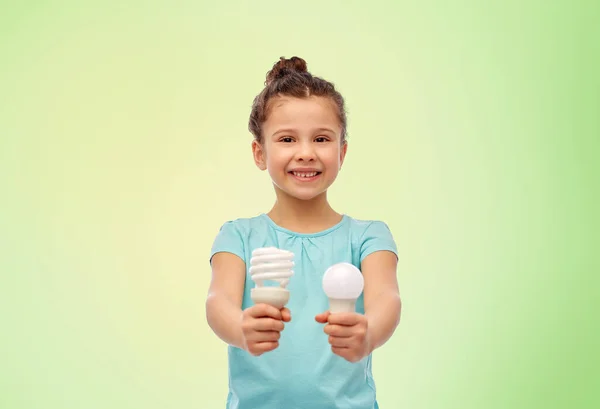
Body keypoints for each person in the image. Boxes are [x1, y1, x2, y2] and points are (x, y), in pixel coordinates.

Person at [206, 56, 402, 409]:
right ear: (259, 152)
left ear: (342, 152)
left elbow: (387, 299)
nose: (306, 153)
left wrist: (368, 332)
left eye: (322, 139)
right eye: (287, 139)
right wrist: (241, 329)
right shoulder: (238, 237)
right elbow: (217, 302)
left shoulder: (368, 238)